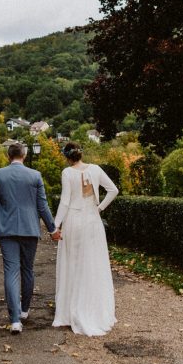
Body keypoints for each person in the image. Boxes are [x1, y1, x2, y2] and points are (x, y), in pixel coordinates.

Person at [0, 141, 60, 334]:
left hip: (6, 230)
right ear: (24, 155)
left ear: (8, 156)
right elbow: (42, 206)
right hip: (29, 229)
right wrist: (52, 229)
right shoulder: (35, 175)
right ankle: (25, 310)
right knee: (27, 269)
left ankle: (15, 321)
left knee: (11, 272)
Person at [52, 141, 119, 336]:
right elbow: (113, 190)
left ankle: (71, 310)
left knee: (73, 263)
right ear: (80, 154)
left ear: (67, 157)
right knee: (93, 262)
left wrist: (55, 225)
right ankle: (95, 309)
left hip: (74, 221)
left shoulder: (67, 173)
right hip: (92, 221)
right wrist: (99, 208)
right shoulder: (96, 169)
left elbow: (65, 201)